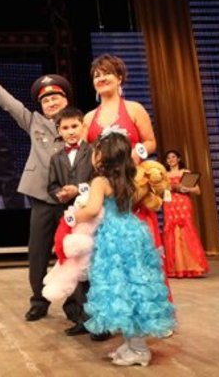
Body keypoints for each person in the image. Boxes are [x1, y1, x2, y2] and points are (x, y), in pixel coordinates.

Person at [0, 62, 69, 322]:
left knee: (73, 251)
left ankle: (75, 305)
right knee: (38, 252)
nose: (51, 103)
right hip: (42, 196)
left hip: (71, 198)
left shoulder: (76, 123)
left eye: (55, 98)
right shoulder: (34, 122)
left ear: (66, 100)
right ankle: (39, 301)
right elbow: (11, 105)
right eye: (45, 100)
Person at [74, 131, 175, 366]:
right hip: (134, 232)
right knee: (135, 289)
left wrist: (74, 215)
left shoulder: (100, 182)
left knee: (122, 292)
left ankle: (139, 349)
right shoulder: (130, 179)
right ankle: (132, 344)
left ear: (102, 156)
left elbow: (92, 210)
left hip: (113, 238)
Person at [82, 54, 173, 300]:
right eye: (96, 75)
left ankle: (151, 307)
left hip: (133, 187)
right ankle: (119, 310)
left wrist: (133, 155)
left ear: (119, 77)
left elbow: (151, 142)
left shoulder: (134, 109)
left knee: (142, 251)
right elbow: (87, 153)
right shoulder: (89, 118)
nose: (101, 78)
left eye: (107, 73)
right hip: (106, 192)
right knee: (111, 255)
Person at [47, 107, 111, 340]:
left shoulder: (94, 152)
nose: (70, 131)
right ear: (59, 131)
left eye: (74, 126)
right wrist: (61, 194)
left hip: (93, 217)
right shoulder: (56, 158)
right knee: (76, 270)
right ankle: (83, 320)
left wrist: (80, 189)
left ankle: (102, 322)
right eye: (65, 128)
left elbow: (101, 179)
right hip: (70, 219)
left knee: (95, 270)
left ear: (83, 127)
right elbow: (52, 186)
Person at [162, 150, 209, 278]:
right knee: (171, 232)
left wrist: (186, 188)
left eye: (173, 157)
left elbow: (197, 190)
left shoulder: (185, 172)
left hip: (183, 203)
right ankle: (175, 268)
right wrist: (168, 189)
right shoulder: (164, 174)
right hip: (170, 204)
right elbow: (161, 191)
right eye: (168, 158)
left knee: (185, 230)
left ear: (178, 159)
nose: (171, 160)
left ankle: (192, 266)